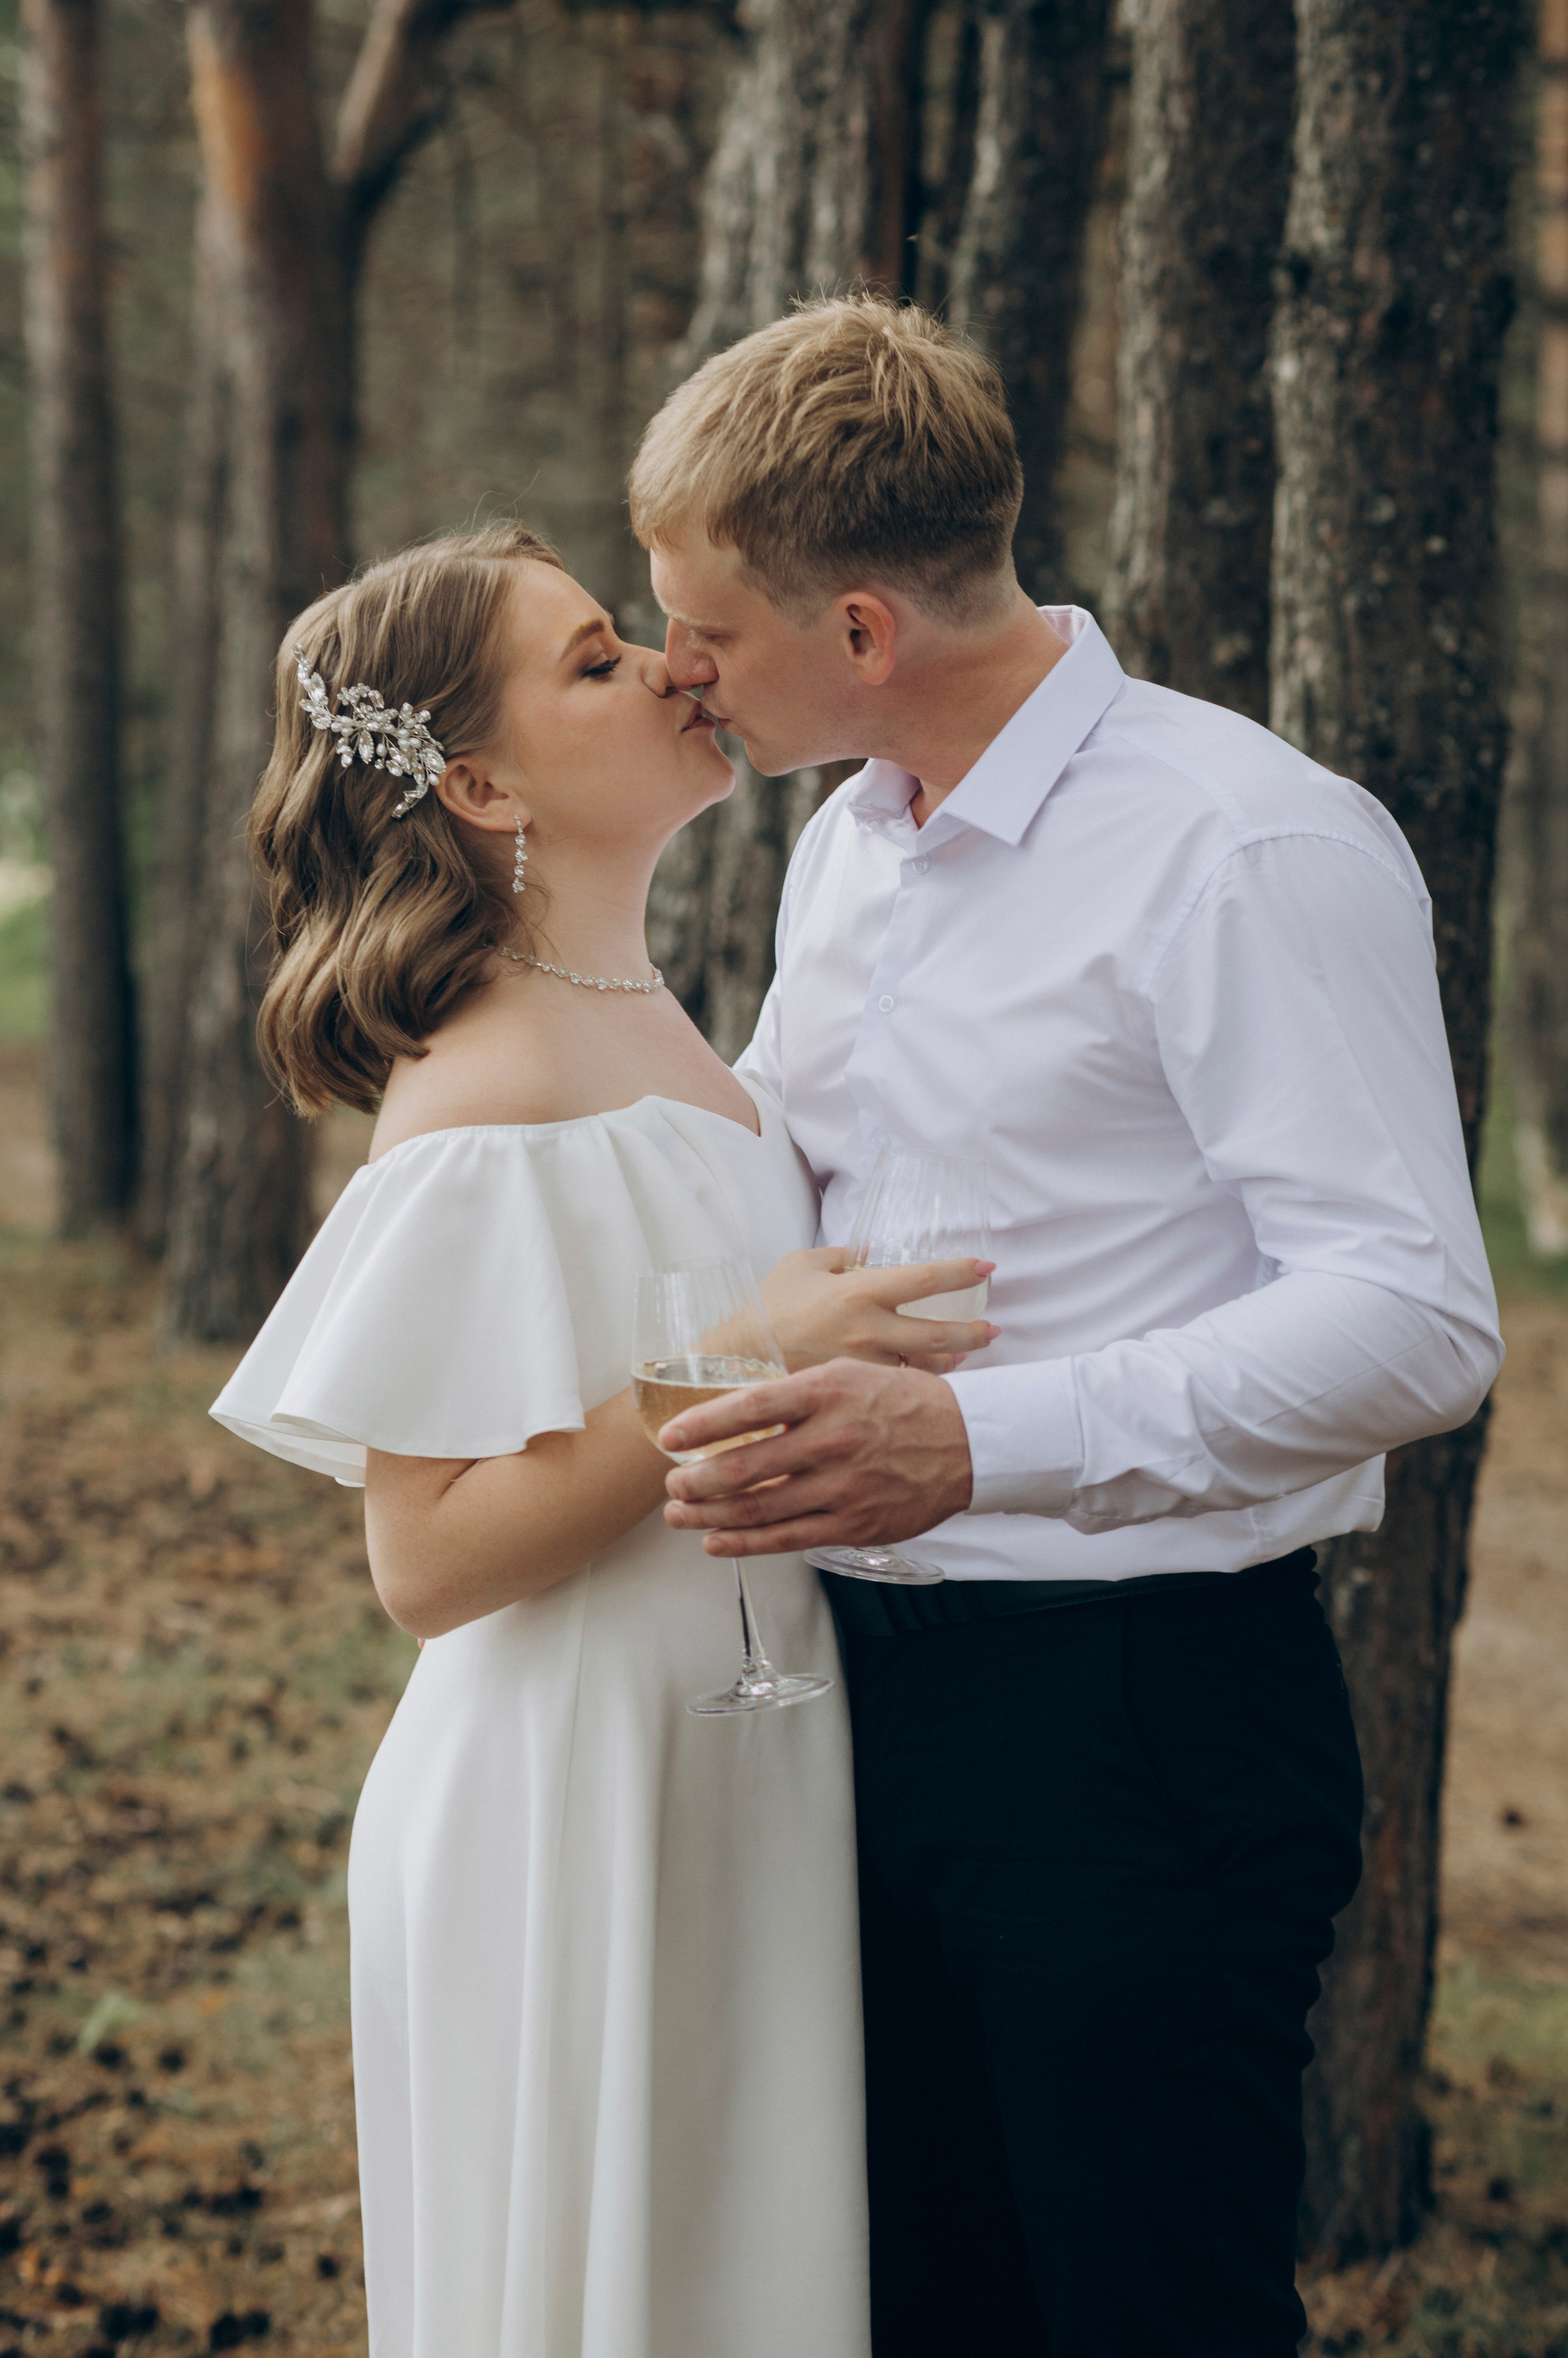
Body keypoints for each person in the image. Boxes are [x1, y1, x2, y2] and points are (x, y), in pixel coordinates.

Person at [626, 298, 1505, 2357]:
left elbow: (1416, 1320)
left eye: (704, 627)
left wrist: (976, 1443)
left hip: (1136, 1731)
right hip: (851, 1707)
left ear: (861, 630)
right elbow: (766, 1174)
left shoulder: (1244, 843)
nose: (676, 668)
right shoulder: (851, 848)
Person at [206, 523, 992, 2358]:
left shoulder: (656, 1026)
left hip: (729, 1748)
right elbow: (428, 1560)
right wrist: (741, 1356)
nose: (665, 665)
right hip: (573, 1787)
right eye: (591, 661)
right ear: (482, 786)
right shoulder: (482, 1085)